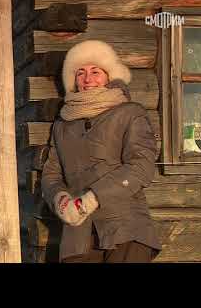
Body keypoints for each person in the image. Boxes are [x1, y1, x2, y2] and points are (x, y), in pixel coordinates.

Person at [41, 40, 162, 263]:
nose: (88, 79)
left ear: (109, 76)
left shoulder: (130, 113)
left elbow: (141, 166)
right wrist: (61, 199)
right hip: (78, 237)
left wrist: (95, 197)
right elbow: (51, 175)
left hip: (126, 229)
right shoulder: (62, 124)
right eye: (80, 73)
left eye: (95, 72)